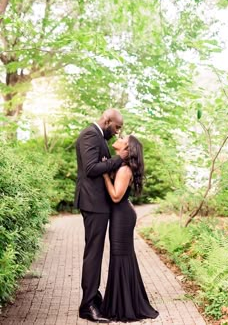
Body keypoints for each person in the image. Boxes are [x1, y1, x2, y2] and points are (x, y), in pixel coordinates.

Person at [74, 109, 128, 323]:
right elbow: (91, 168)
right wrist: (118, 159)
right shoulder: (90, 135)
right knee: (93, 253)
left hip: (98, 203)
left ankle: (94, 298)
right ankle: (87, 305)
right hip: (93, 203)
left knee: (95, 252)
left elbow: (99, 165)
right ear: (107, 121)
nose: (117, 133)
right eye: (116, 127)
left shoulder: (98, 137)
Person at [101, 135, 159, 322]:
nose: (119, 136)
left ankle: (124, 305)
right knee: (121, 257)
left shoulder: (125, 169)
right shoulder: (121, 166)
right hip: (122, 214)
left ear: (127, 147)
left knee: (120, 256)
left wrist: (104, 176)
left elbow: (116, 197)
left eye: (123, 137)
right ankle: (122, 301)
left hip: (121, 216)